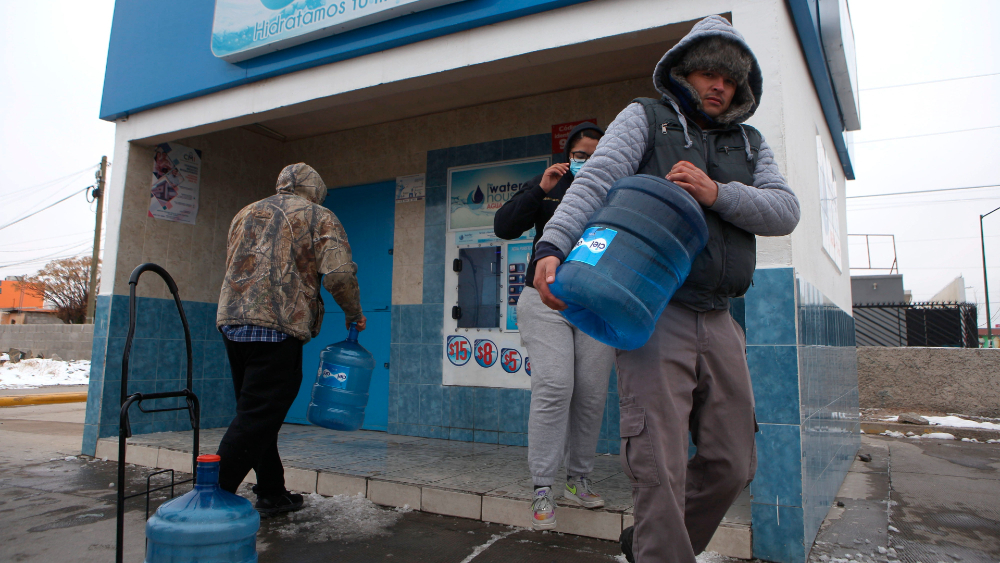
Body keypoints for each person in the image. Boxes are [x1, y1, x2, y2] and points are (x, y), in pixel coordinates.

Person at [531, 16, 801, 563]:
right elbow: (598, 178)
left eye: (729, 78)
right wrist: (552, 246)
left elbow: (785, 210)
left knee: (732, 463)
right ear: (682, 72)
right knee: (660, 464)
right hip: (655, 313)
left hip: (721, 317)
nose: (717, 85)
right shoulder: (644, 118)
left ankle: (649, 546)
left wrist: (717, 193)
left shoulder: (749, 145)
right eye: (707, 72)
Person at [215, 163, 366, 515]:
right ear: (315, 189)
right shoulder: (318, 215)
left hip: (232, 322)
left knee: (255, 415)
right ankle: (208, 496)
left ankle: (271, 490)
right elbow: (339, 274)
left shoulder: (245, 212)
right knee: (257, 418)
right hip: (276, 326)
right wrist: (352, 310)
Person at [494, 123, 616, 530]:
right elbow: (504, 226)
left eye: (597, 154)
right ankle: (543, 485)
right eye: (581, 154)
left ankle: (578, 480)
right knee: (554, 385)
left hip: (594, 304)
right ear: (568, 155)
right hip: (543, 300)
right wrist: (539, 188)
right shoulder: (549, 184)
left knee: (592, 393)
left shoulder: (618, 189)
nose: (588, 161)